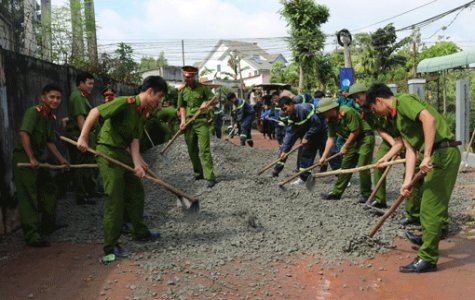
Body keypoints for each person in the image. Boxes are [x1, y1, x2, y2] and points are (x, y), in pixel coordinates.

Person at [366, 83, 461, 273]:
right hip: (435, 155)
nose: (375, 113)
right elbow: (410, 151)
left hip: (443, 153)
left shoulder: (403, 102)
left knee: (429, 207)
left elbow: (429, 120)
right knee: (430, 204)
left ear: (378, 100)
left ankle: (428, 258)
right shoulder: (397, 118)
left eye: (373, 108)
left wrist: (427, 155)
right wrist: (406, 182)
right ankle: (428, 238)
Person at [76, 76, 166, 264]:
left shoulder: (141, 112)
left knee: (136, 191)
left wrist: (137, 163)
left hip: (122, 152)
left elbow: (134, 140)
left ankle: (139, 232)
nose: (160, 102)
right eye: (159, 97)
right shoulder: (125, 103)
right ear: (150, 92)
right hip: (107, 150)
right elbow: (94, 112)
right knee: (115, 198)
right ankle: (110, 246)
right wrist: (83, 137)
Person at [12, 84, 70, 247]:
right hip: (24, 157)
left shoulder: (50, 117)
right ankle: (32, 236)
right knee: (29, 195)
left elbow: (50, 141)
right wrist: (31, 158)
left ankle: (48, 225)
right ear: (43, 98)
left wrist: (61, 160)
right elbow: (24, 133)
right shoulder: (34, 112)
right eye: (51, 97)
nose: (55, 100)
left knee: (49, 188)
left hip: (38, 158)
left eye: (58, 98)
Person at [348, 83, 404, 209]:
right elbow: (379, 129)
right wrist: (393, 144)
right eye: (354, 99)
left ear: (365, 93)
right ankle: (380, 200)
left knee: (410, 169)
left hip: (405, 137)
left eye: (358, 97)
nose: (356, 101)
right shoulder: (366, 112)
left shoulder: (387, 103)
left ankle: (413, 208)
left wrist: (398, 145)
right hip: (390, 138)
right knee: (379, 164)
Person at [317, 98, 375, 202]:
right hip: (352, 141)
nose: (322, 115)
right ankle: (336, 192)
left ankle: (367, 194)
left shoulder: (347, 111)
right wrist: (324, 156)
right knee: (345, 167)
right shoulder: (331, 120)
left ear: (330, 109)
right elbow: (331, 139)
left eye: (323, 112)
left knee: (362, 167)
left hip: (364, 139)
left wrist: (345, 146)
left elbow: (355, 131)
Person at [177, 66, 217, 188]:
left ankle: (210, 177)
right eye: (185, 77)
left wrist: (205, 104)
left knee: (205, 149)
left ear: (194, 77)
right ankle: (198, 174)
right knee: (192, 150)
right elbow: (182, 107)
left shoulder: (203, 88)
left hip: (201, 122)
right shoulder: (182, 91)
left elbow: (214, 100)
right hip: (189, 123)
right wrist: (182, 121)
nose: (187, 79)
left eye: (189, 77)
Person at [271, 97, 325, 182]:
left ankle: (341, 175)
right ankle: (304, 177)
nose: (285, 111)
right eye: (283, 110)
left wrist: (307, 136)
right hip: (309, 130)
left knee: (328, 151)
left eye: (285, 108)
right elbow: (290, 133)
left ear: (291, 104)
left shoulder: (304, 109)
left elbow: (317, 124)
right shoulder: (291, 115)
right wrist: (285, 150)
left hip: (321, 129)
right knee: (302, 153)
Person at [66, 71, 99, 205]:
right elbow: (80, 119)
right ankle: (82, 195)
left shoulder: (82, 96)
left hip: (83, 135)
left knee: (88, 165)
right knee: (81, 167)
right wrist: (84, 138)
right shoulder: (77, 97)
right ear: (81, 83)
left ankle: (90, 191)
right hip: (79, 136)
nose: (91, 86)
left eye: (92, 83)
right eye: (89, 83)